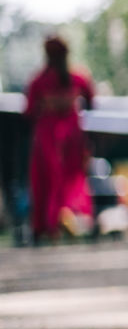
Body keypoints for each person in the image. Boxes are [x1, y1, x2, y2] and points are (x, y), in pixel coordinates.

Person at [23, 35, 95, 243]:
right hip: (72, 137)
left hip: (48, 138)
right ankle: (62, 223)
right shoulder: (78, 77)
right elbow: (92, 99)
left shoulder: (38, 81)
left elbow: (27, 111)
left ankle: (47, 226)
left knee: (46, 180)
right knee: (67, 182)